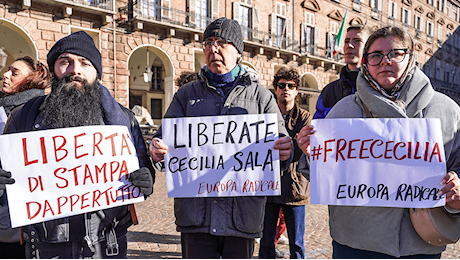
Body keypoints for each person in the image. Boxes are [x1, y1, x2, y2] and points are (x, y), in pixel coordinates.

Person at [297, 26, 460, 258]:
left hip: (421, 244)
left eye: (395, 53)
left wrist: (457, 187)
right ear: (366, 62)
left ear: (410, 55)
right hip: (354, 243)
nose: (385, 61)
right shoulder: (344, 109)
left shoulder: (446, 110)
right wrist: (312, 153)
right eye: (375, 55)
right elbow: (321, 174)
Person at [0, 30, 155, 259]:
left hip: (106, 245)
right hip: (45, 247)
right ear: (54, 70)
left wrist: (146, 179)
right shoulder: (24, 117)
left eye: (85, 63)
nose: (75, 70)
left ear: (96, 73)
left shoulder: (123, 119)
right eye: (65, 62)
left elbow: (142, 168)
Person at [149, 17, 293, 259]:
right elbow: (164, 140)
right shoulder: (186, 95)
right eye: (208, 42)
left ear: (238, 52)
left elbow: (279, 147)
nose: (213, 49)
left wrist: (283, 151)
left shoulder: (262, 98)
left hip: (242, 217)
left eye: (222, 42)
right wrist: (157, 148)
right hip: (196, 215)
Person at [0, 56, 51, 259]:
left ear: (33, 80)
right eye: (7, 70)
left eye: (15, 72)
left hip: (35, 220)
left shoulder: (45, 111)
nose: (5, 74)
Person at [259, 67, 311, 259]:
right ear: (275, 89)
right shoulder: (265, 116)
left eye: (291, 85)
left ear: (297, 90)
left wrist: (287, 147)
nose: (286, 89)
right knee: (266, 242)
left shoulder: (305, 117)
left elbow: (303, 149)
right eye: (281, 85)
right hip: (269, 188)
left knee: (297, 244)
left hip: (295, 189)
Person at [313, 24, 370, 119]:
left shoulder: (378, 90)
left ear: (368, 48)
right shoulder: (328, 92)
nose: (349, 45)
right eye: (346, 41)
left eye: (357, 41)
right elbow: (318, 129)